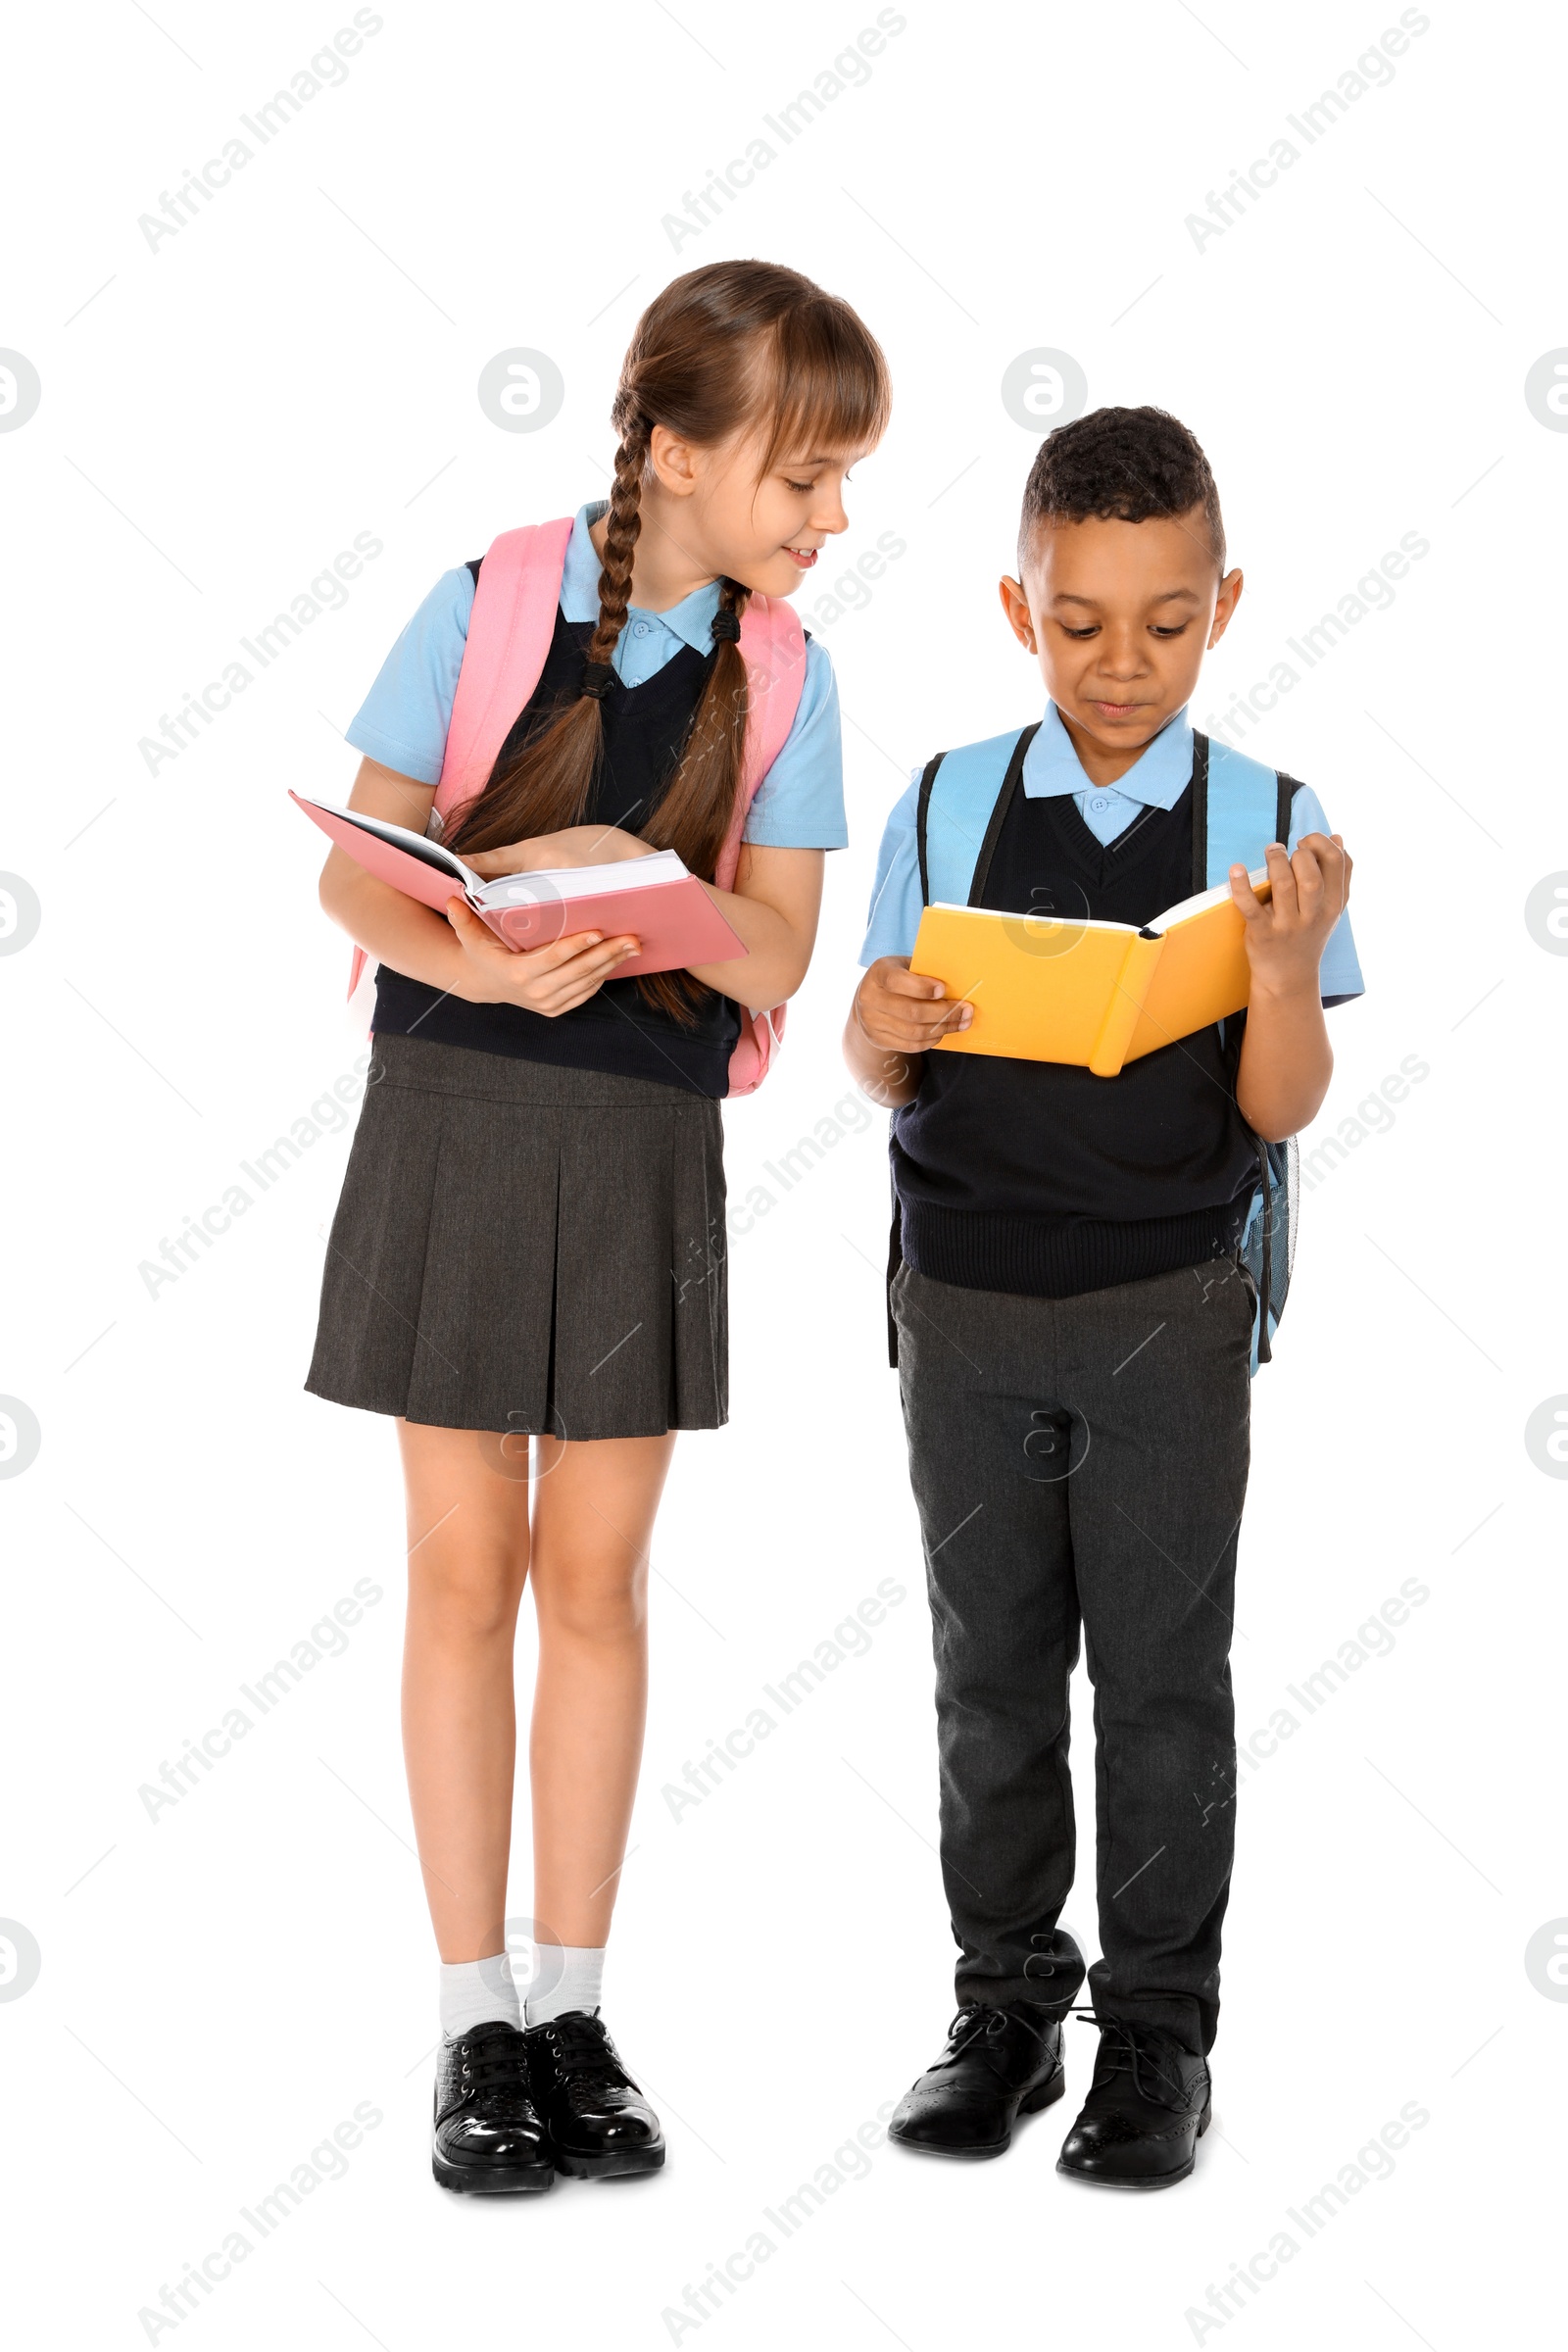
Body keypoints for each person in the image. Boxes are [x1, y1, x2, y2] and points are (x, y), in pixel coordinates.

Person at [308, 261, 889, 2195]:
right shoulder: (483, 600)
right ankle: (471, 2016)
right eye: (801, 478)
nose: (823, 519)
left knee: (602, 1584)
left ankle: (574, 2005)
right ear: (674, 445)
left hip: (644, 1144)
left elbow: (786, 946)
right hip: (455, 1119)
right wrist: (474, 939)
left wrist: (615, 885)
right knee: (465, 1569)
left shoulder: (786, 675)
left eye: (835, 485)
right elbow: (356, 885)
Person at [843, 406, 1361, 2186]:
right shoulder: (945, 799)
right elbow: (877, 1054)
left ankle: (1156, 2036)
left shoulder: (1273, 824)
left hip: (1169, 1309)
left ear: (1226, 602)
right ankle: (1005, 2009)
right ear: (1016, 607)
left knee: (1159, 1685)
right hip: (969, 1304)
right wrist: (878, 1030)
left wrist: (1280, 973)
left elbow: (1279, 1108)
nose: (1121, 662)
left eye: (1165, 621)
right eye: (1080, 623)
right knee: (988, 1680)